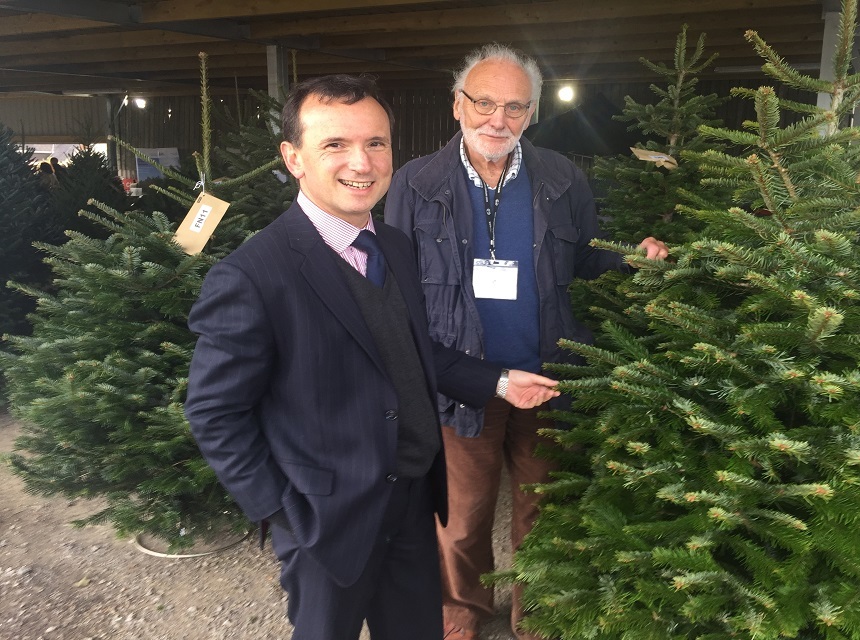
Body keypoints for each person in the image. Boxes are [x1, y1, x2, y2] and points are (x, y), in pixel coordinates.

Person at [184, 74, 560, 640]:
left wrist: (501, 382)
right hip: (325, 520)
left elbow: (415, 352)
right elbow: (214, 412)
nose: (361, 163)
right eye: (335, 144)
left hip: (410, 499)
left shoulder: (393, 247)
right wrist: (285, 514)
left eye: (376, 144)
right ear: (294, 158)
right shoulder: (254, 276)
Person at [384, 44, 669, 640]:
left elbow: (587, 260)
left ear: (531, 113)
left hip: (546, 376)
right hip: (463, 379)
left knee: (541, 508)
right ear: (457, 105)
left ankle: (534, 610)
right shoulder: (417, 182)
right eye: (484, 102)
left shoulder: (562, 178)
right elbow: (399, 282)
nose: (498, 119)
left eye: (514, 107)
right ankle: (462, 607)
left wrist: (631, 260)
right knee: (462, 516)